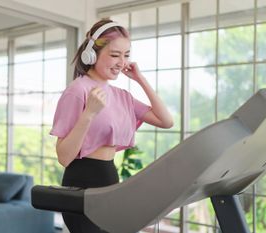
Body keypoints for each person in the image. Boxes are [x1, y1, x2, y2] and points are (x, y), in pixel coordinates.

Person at [50, 18, 174, 233]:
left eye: (126, 55)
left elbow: (166, 121)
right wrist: (89, 113)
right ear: (92, 54)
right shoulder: (77, 90)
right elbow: (64, 157)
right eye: (115, 55)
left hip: (110, 178)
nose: (121, 62)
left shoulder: (121, 96)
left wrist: (140, 79)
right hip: (82, 182)